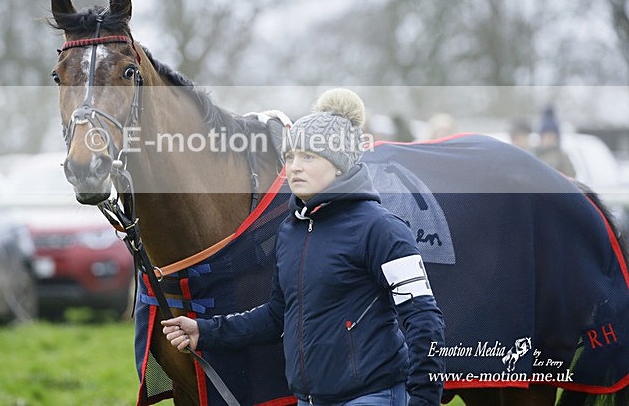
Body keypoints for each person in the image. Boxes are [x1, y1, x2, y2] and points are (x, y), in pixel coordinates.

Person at [162, 89, 446, 406]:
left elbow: (425, 321)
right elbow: (276, 317)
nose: (294, 167)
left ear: (339, 164)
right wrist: (205, 331)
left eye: (308, 156)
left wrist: (423, 400)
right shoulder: (291, 231)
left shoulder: (382, 229)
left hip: (371, 397)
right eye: (290, 157)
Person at [534, 106, 576, 178]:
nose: (549, 139)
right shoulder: (534, 154)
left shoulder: (561, 157)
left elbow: (571, 177)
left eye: (552, 136)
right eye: (546, 136)